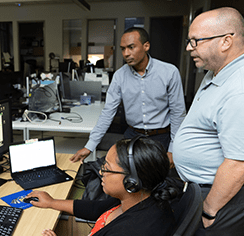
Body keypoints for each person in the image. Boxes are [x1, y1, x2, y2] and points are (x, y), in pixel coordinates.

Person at [173, 7, 244, 236]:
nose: (189, 48)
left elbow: (238, 164)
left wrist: (209, 211)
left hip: (222, 197)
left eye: (196, 41)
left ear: (226, 41)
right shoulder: (220, 69)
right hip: (204, 189)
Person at [26, 137, 178, 236]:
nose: (100, 171)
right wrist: (51, 202)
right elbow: (97, 209)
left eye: (107, 168)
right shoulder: (139, 197)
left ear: (132, 182)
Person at [70, 27, 186, 168]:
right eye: (123, 49)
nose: (126, 53)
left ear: (146, 46)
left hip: (161, 138)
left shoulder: (169, 72)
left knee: (156, 184)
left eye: (131, 47)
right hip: (132, 136)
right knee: (125, 179)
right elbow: (108, 113)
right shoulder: (119, 76)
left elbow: (178, 113)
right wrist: (89, 146)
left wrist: (173, 149)